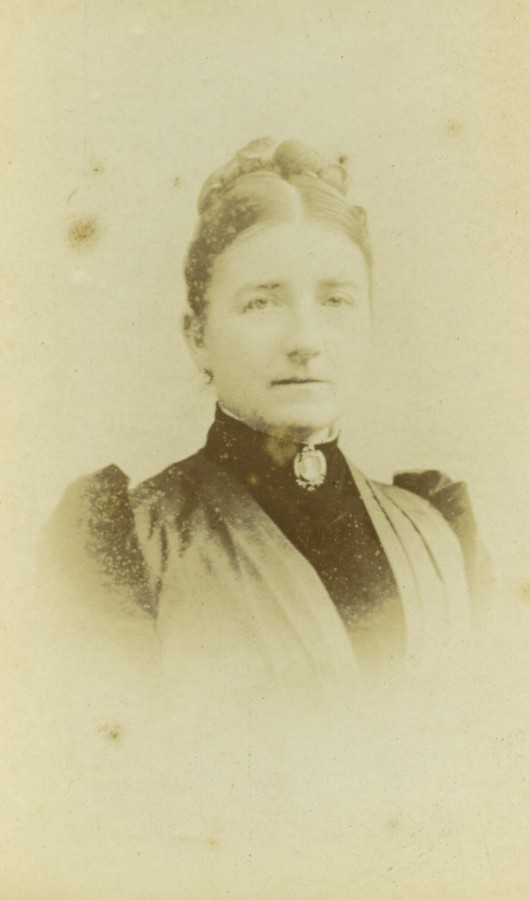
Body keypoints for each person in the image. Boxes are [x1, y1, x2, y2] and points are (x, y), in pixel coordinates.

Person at [42, 138, 488, 697]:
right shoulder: (126, 542)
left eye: (335, 300)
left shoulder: (439, 529)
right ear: (197, 336)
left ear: (369, 320)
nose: (306, 341)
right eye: (262, 302)